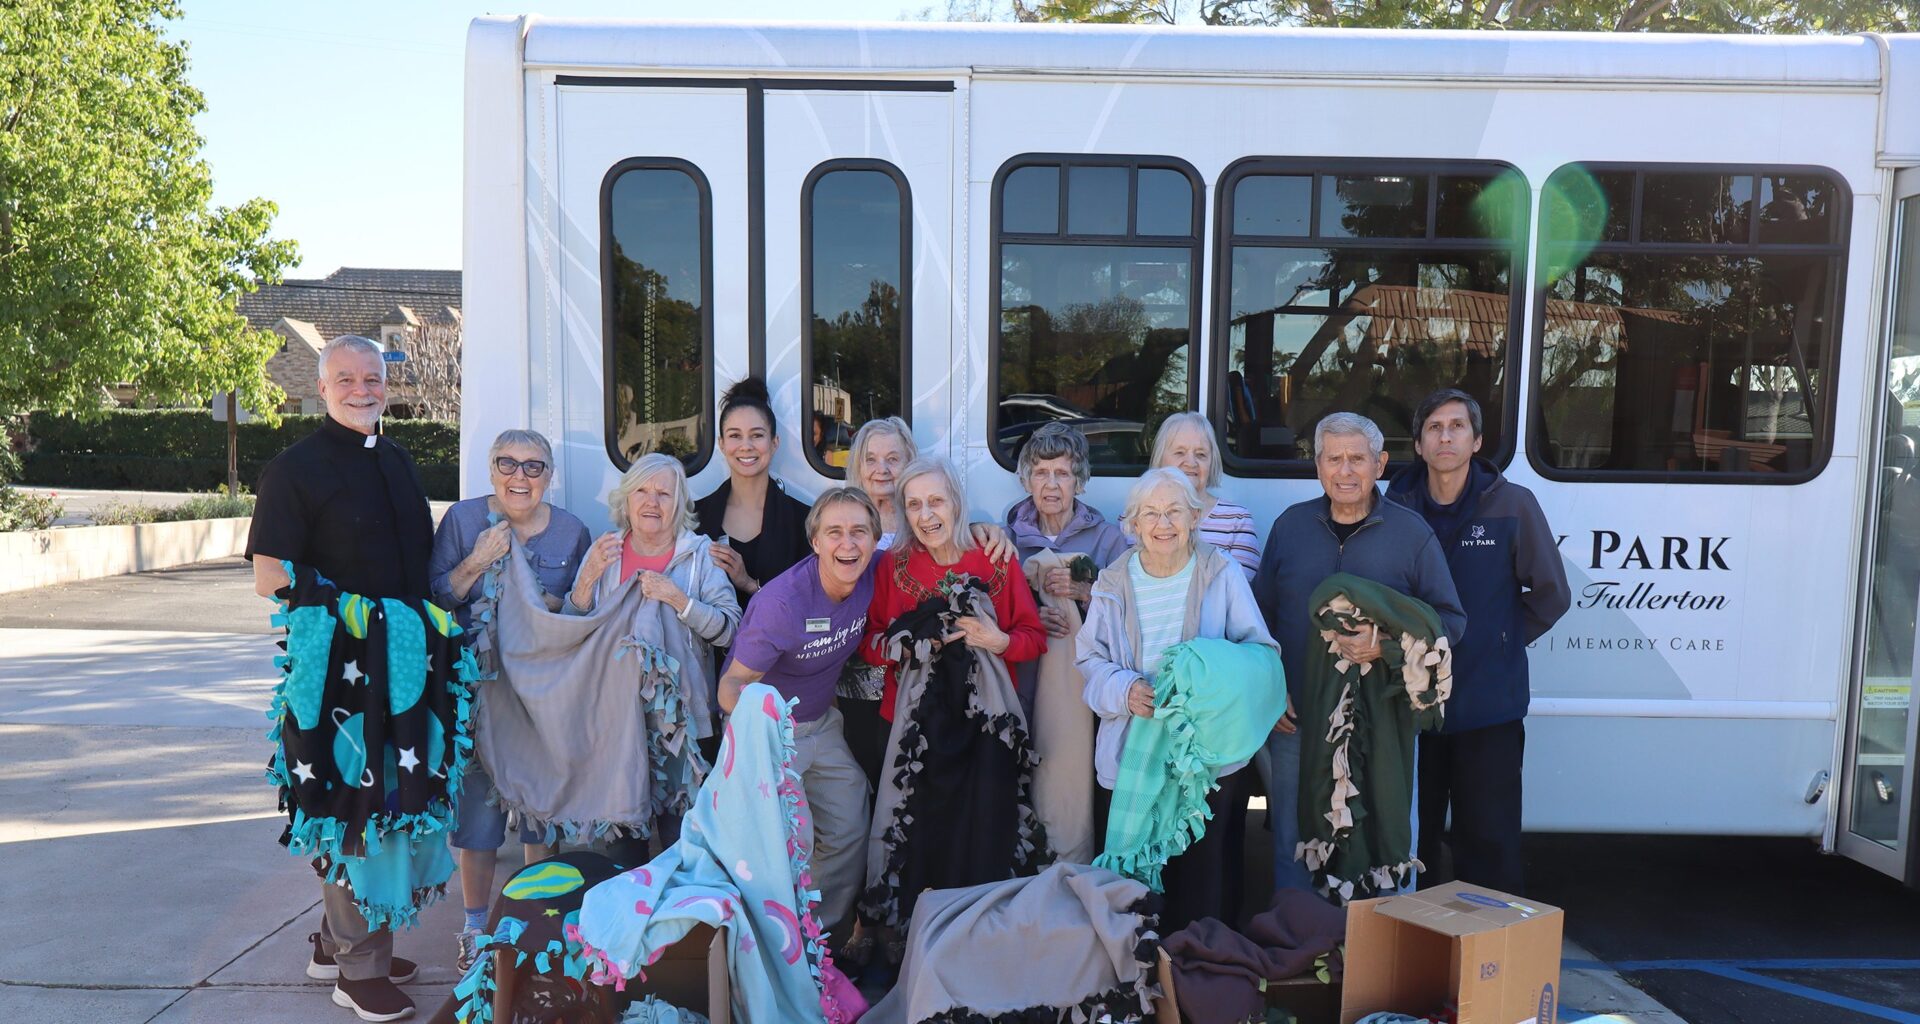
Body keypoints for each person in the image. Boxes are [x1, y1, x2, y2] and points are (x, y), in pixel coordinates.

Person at [246, 334, 428, 1022]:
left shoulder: (400, 460)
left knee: (385, 804)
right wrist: (357, 617)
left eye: (372, 378)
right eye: (345, 378)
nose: (361, 389)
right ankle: (359, 970)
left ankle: (335, 942)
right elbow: (271, 578)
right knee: (347, 807)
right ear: (321, 389)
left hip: (403, 666)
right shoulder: (294, 470)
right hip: (334, 670)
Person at [844, 456, 1045, 972]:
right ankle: (910, 940)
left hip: (983, 729)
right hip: (916, 730)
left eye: (936, 501)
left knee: (979, 829)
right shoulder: (893, 567)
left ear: (956, 502)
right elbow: (869, 642)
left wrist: (996, 639)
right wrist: (905, 645)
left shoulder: (994, 559)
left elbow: (1032, 636)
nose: (926, 514)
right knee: (915, 829)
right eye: (915, 505)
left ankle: (975, 945)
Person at [1253, 411, 1468, 894]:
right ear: (1318, 466)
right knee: (1295, 833)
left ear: (1380, 463)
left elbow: (1450, 621)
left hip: (1384, 719)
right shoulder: (1291, 528)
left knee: (1387, 829)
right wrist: (1272, 687)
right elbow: (1258, 619)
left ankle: (1383, 948)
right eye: (1334, 459)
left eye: (1357, 459)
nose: (1345, 471)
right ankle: (1298, 943)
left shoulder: (1411, 535)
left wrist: (1385, 646)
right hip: (1298, 718)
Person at [1077, 467, 1282, 930]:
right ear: (1132, 523)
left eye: (1174, 511)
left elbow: (1259, 654)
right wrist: (1126, 691)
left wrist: (1203, 680)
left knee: (1203, 883)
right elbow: (1089, 663)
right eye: (1150, 513)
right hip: (1132, 750)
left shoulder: (1220, 572)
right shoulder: (1113, 582)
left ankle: (1199, 983)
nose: (1163, 523)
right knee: (1135, 891)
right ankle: (1141, 987)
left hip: (1203, 761)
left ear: (1195, 518)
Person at [1385, 389, 1569, 895]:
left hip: (1489, 708)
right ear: (1419, 445)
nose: (1445, 436)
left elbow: (1552, 595)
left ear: (1477, 440)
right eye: (1434, 427)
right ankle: (1416, 956)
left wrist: (1501, 642)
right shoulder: (1394, 506)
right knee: (1409, 845)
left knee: (1488, 844)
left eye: (1457, 426)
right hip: (1409, 710)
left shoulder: (1513, 505)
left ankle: (1487, 963)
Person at [427, 428, 591, 970]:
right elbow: (439, 596)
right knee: (478, 813)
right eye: (507, 463)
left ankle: (536, 920)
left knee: (539, 810)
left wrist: (552, 603)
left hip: (541, 693)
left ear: (550, 475)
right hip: (476, 688)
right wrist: (476, 562)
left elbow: (582, 613)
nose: (519, 476)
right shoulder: (463, 520)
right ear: (491, 469)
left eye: (533, 466)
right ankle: (475, 928)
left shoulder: (571, 532)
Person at [715, 487, 883, 936]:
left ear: (874, 540)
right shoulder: (782, 603)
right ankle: (772, 944)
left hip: (823, 724)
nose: (847, 544)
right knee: (795, 841)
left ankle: (817, 942)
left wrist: (985, 532)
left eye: (859, 532)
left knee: (850, 825)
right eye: (834, 533)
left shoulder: (875, 571)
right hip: (772, 732)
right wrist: (762, 730)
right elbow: (729, 687)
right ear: (815, 543)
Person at [566, 452, 741, 851]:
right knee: (620, 849)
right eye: (642, 490)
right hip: (614, 724)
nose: (652, 501)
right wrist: (588, 578)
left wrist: (680, 600)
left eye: (664, 493)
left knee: (684, 847)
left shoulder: (700, 555)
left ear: (678, 503)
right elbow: (571, 626)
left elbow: (730, 631)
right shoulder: (605, 552)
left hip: (686, 728)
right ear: (625, 499)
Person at [835, 418, 1017, 790]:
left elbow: (954, 537)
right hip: (858, 674)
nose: (881, 469)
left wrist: (986, 529)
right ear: (858, 466)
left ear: (910, 466)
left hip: (915, 688)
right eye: (870, 459)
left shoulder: (927, 527)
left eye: (893, 458)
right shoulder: (844, 521)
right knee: (871, 781)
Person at [695, 377, 812, 613]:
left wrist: (748, 583)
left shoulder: (805, 520)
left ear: (774, 442)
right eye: (735, 435)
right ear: (721, 443)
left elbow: (809, 608)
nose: (746, 446)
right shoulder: (694, 515)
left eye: (757, 435)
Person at [1150, 411, 1260, 579]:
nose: (1191, 462)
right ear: (1160, 459)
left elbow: (1239, 593)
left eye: (1201, 454)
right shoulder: (1136, 517)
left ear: (1212, 462)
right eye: (1180, 452)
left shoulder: (1237, 520)